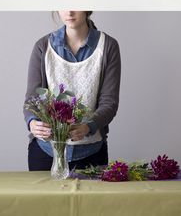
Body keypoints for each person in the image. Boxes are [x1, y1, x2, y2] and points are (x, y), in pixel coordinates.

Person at [23, 11, 121, 171]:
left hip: (92, 154)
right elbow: (32, 101)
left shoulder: (108, 46)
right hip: (45, 153)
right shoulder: (43, 47)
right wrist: (33, 122)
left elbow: (109, 103)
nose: (69, 11)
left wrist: (88, 126)